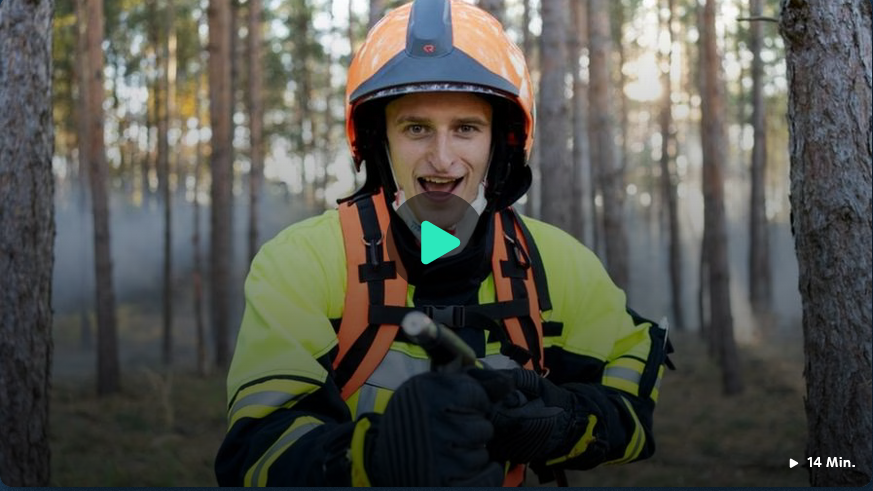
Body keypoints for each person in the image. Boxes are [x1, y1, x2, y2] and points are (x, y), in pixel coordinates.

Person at [214, 0, 673, 486]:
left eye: (466, 129)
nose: (441, 158)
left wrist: (564, 421)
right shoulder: (304, 262)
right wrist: (377, 456)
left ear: (501, 143)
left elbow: (632, 410)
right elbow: (255, 453)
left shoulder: (558, 264)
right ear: (378, 142)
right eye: (416, 128)